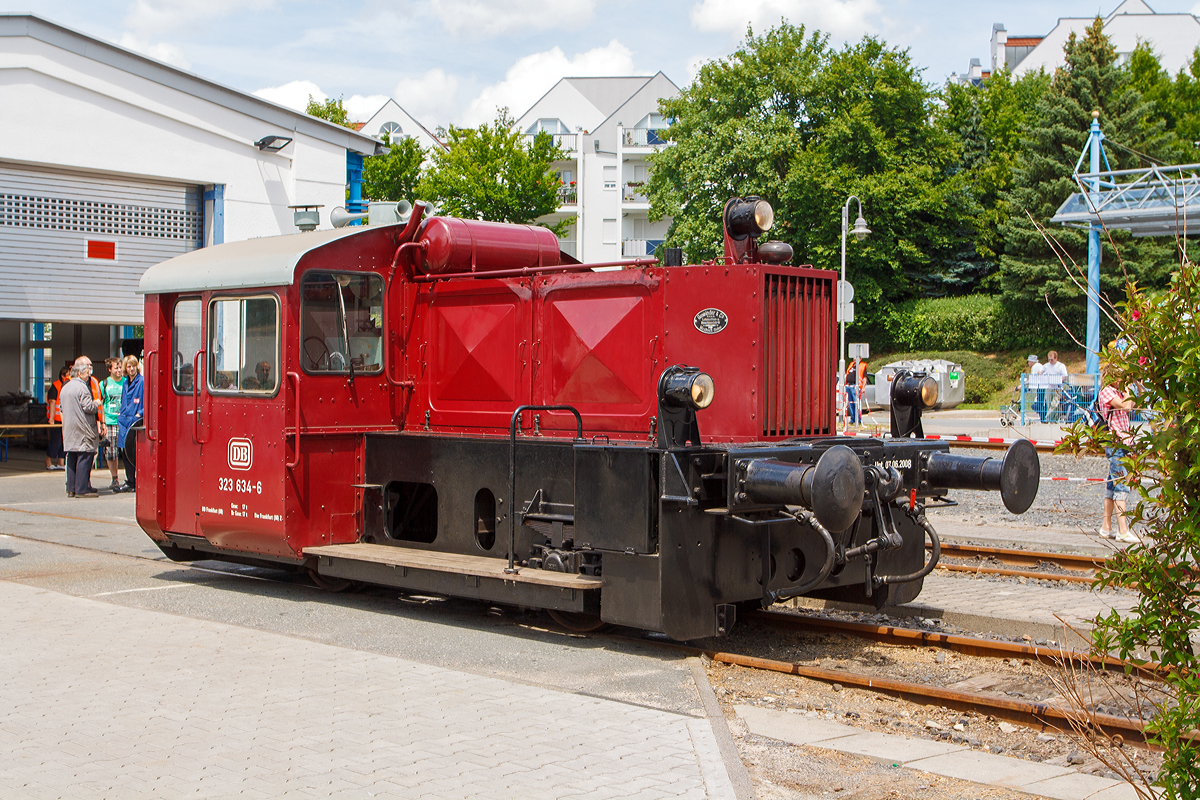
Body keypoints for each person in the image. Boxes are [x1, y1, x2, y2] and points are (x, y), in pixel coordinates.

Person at [1097, 362, 1138, 544]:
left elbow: (1132, 403)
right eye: (1121, 376)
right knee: (1121, 485)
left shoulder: (1119, 392)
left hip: (1123, 442)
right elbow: (1127, 406)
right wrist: (1128, 389)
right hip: (1115, 442)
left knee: (1112, 485)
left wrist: (1128, 391)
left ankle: (1106, 528)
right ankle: (1123, 530)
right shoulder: (1107, 391)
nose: (1123, 380)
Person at [60, 357, 103, 498]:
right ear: (79, 374)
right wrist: (96, 402)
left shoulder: (65, 387)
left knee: (72, 456)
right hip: (82, 429)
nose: (88, 376)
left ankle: (71, 488)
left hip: (69, 428)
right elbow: (88, 407)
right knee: (85, 455)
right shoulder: (82, 388)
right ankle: (82, 488)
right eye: (86, 373)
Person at [114, 355, 143, 493]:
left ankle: (138, 481)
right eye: (129, 366)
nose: (131, 369)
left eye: (133, 366)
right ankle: (130, 481)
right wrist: (120, 413)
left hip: (135, 420)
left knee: (135, 452)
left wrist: (140, 414)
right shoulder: (125, 382)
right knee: (125, 453)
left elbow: (147, 399)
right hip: (124, 420)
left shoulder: (142, 381)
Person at [99, 357, 125, 491]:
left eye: (120, 367)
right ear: (110, 369)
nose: (119, 370)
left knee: (126, 450)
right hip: (109, 421)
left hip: (123, 421)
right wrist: (101, 422)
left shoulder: (126, 382)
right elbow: (101, 405)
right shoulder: (104, 384)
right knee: (111, 451)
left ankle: (130, 477)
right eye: (116, 368)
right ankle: (114, 478)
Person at [44, 365, 69, 471]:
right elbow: (52, 403)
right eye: (68, 375)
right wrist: (52, 419)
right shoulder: (55, 387)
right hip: (56, 420)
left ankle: (61, 462)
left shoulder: (67, 386)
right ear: (63, 376)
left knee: (64, 441)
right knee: (55, 441)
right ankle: (48, 461)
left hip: (64, 419)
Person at [1040, 350, 1069, 422]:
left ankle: (1047, 418)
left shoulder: (1061, 366)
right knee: (1049, 404)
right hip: (1049, 387)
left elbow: (1065, 375)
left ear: (1056, 358)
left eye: (1052, 359)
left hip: (1057, 387)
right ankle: (1053, 420)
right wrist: (1040, 375)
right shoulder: (1046, 365)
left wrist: (1058, 381)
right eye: (1049, 359)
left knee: (1054, 404)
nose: (1050, 361)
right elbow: (1040, 371)